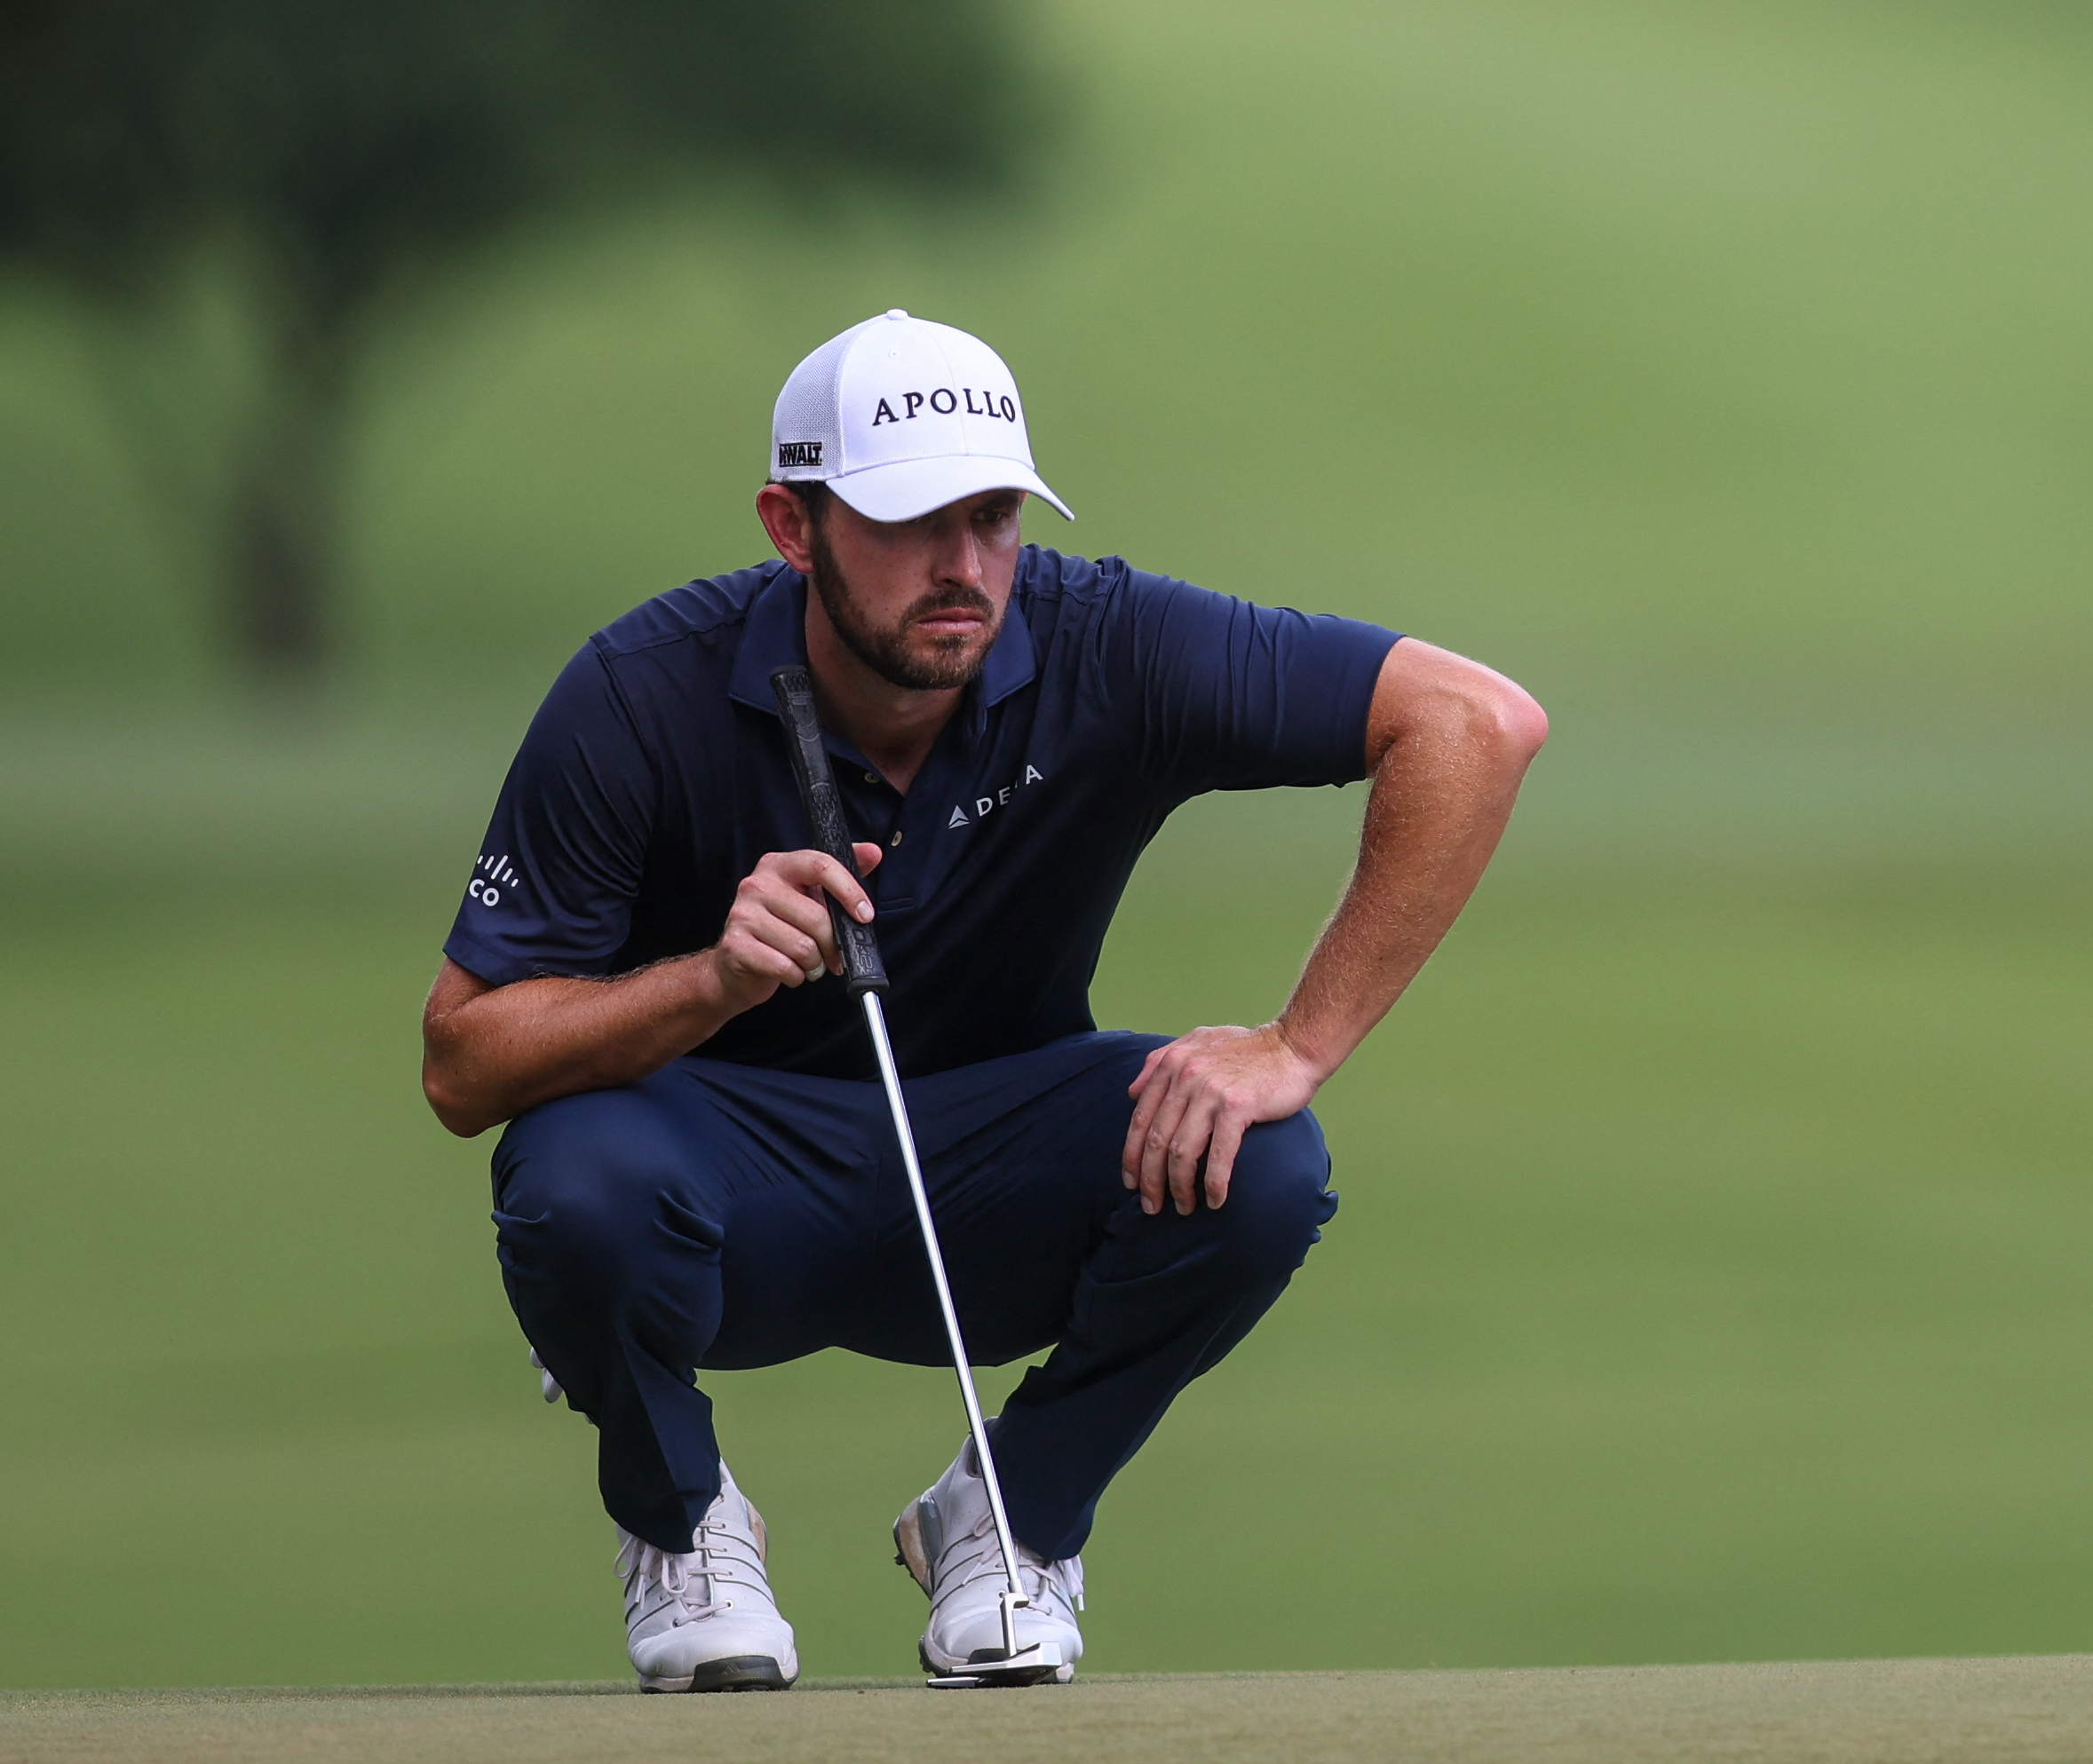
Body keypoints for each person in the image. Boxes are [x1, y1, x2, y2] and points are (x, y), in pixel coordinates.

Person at [419, 311, 1546, 1691]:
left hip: (987, 1175)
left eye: (995, 517)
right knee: (571, 1175)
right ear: (793, 524)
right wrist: (712, 978)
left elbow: (1474, 723)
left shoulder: (1104, 640)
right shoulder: (637, 693)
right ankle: (680, 1520)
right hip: (709, 1189)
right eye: (910, 523)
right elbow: (463, 1064)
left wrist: (1298, 1042)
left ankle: (1009, 1518)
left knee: (1258, 1157)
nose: (964, 568)